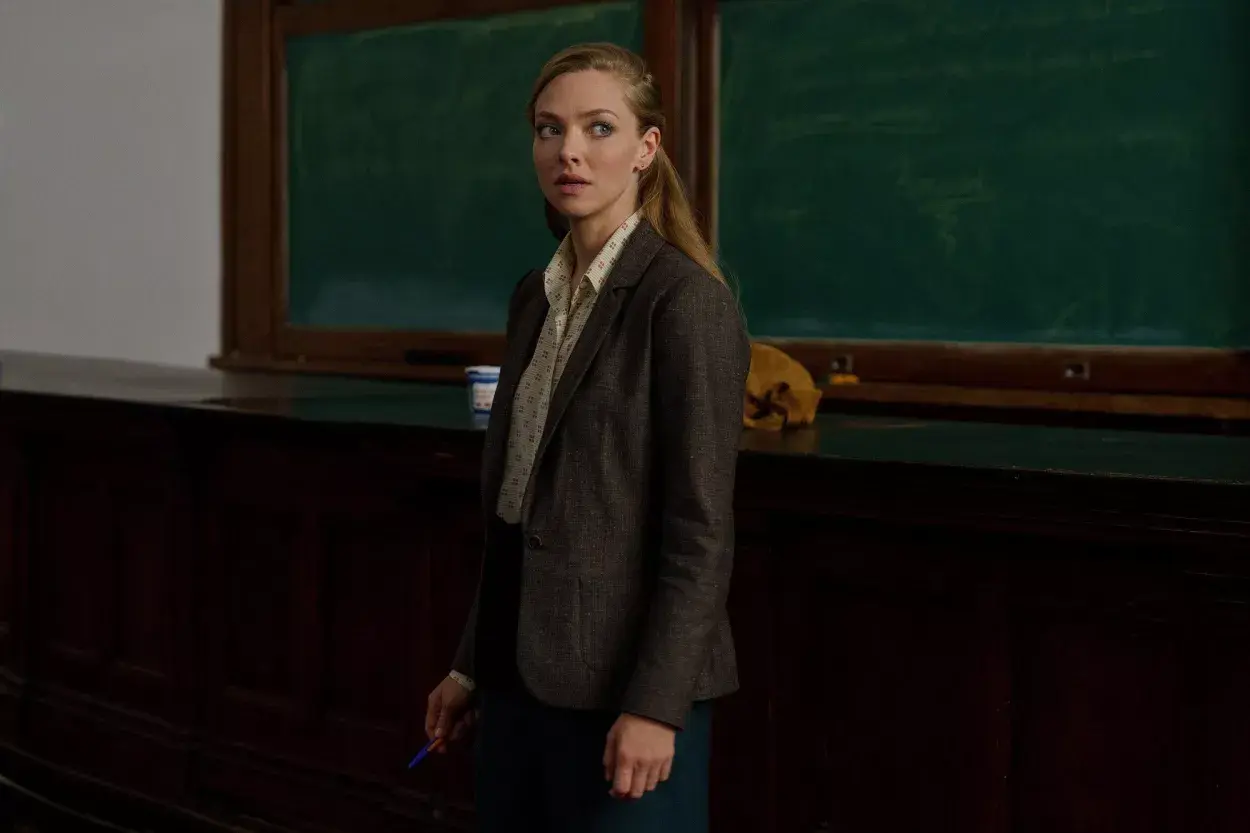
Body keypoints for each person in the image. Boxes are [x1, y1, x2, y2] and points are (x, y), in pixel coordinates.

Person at [424, 42, 749, 832]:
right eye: (549, 129)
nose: (568, 150)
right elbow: (517, 510)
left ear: (646, 148)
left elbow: (699, 534)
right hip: (515, 682)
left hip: (626, 701)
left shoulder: (685, 303)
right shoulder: (534, 298)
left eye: (598, 128)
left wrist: (657, 706)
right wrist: (470, 664)